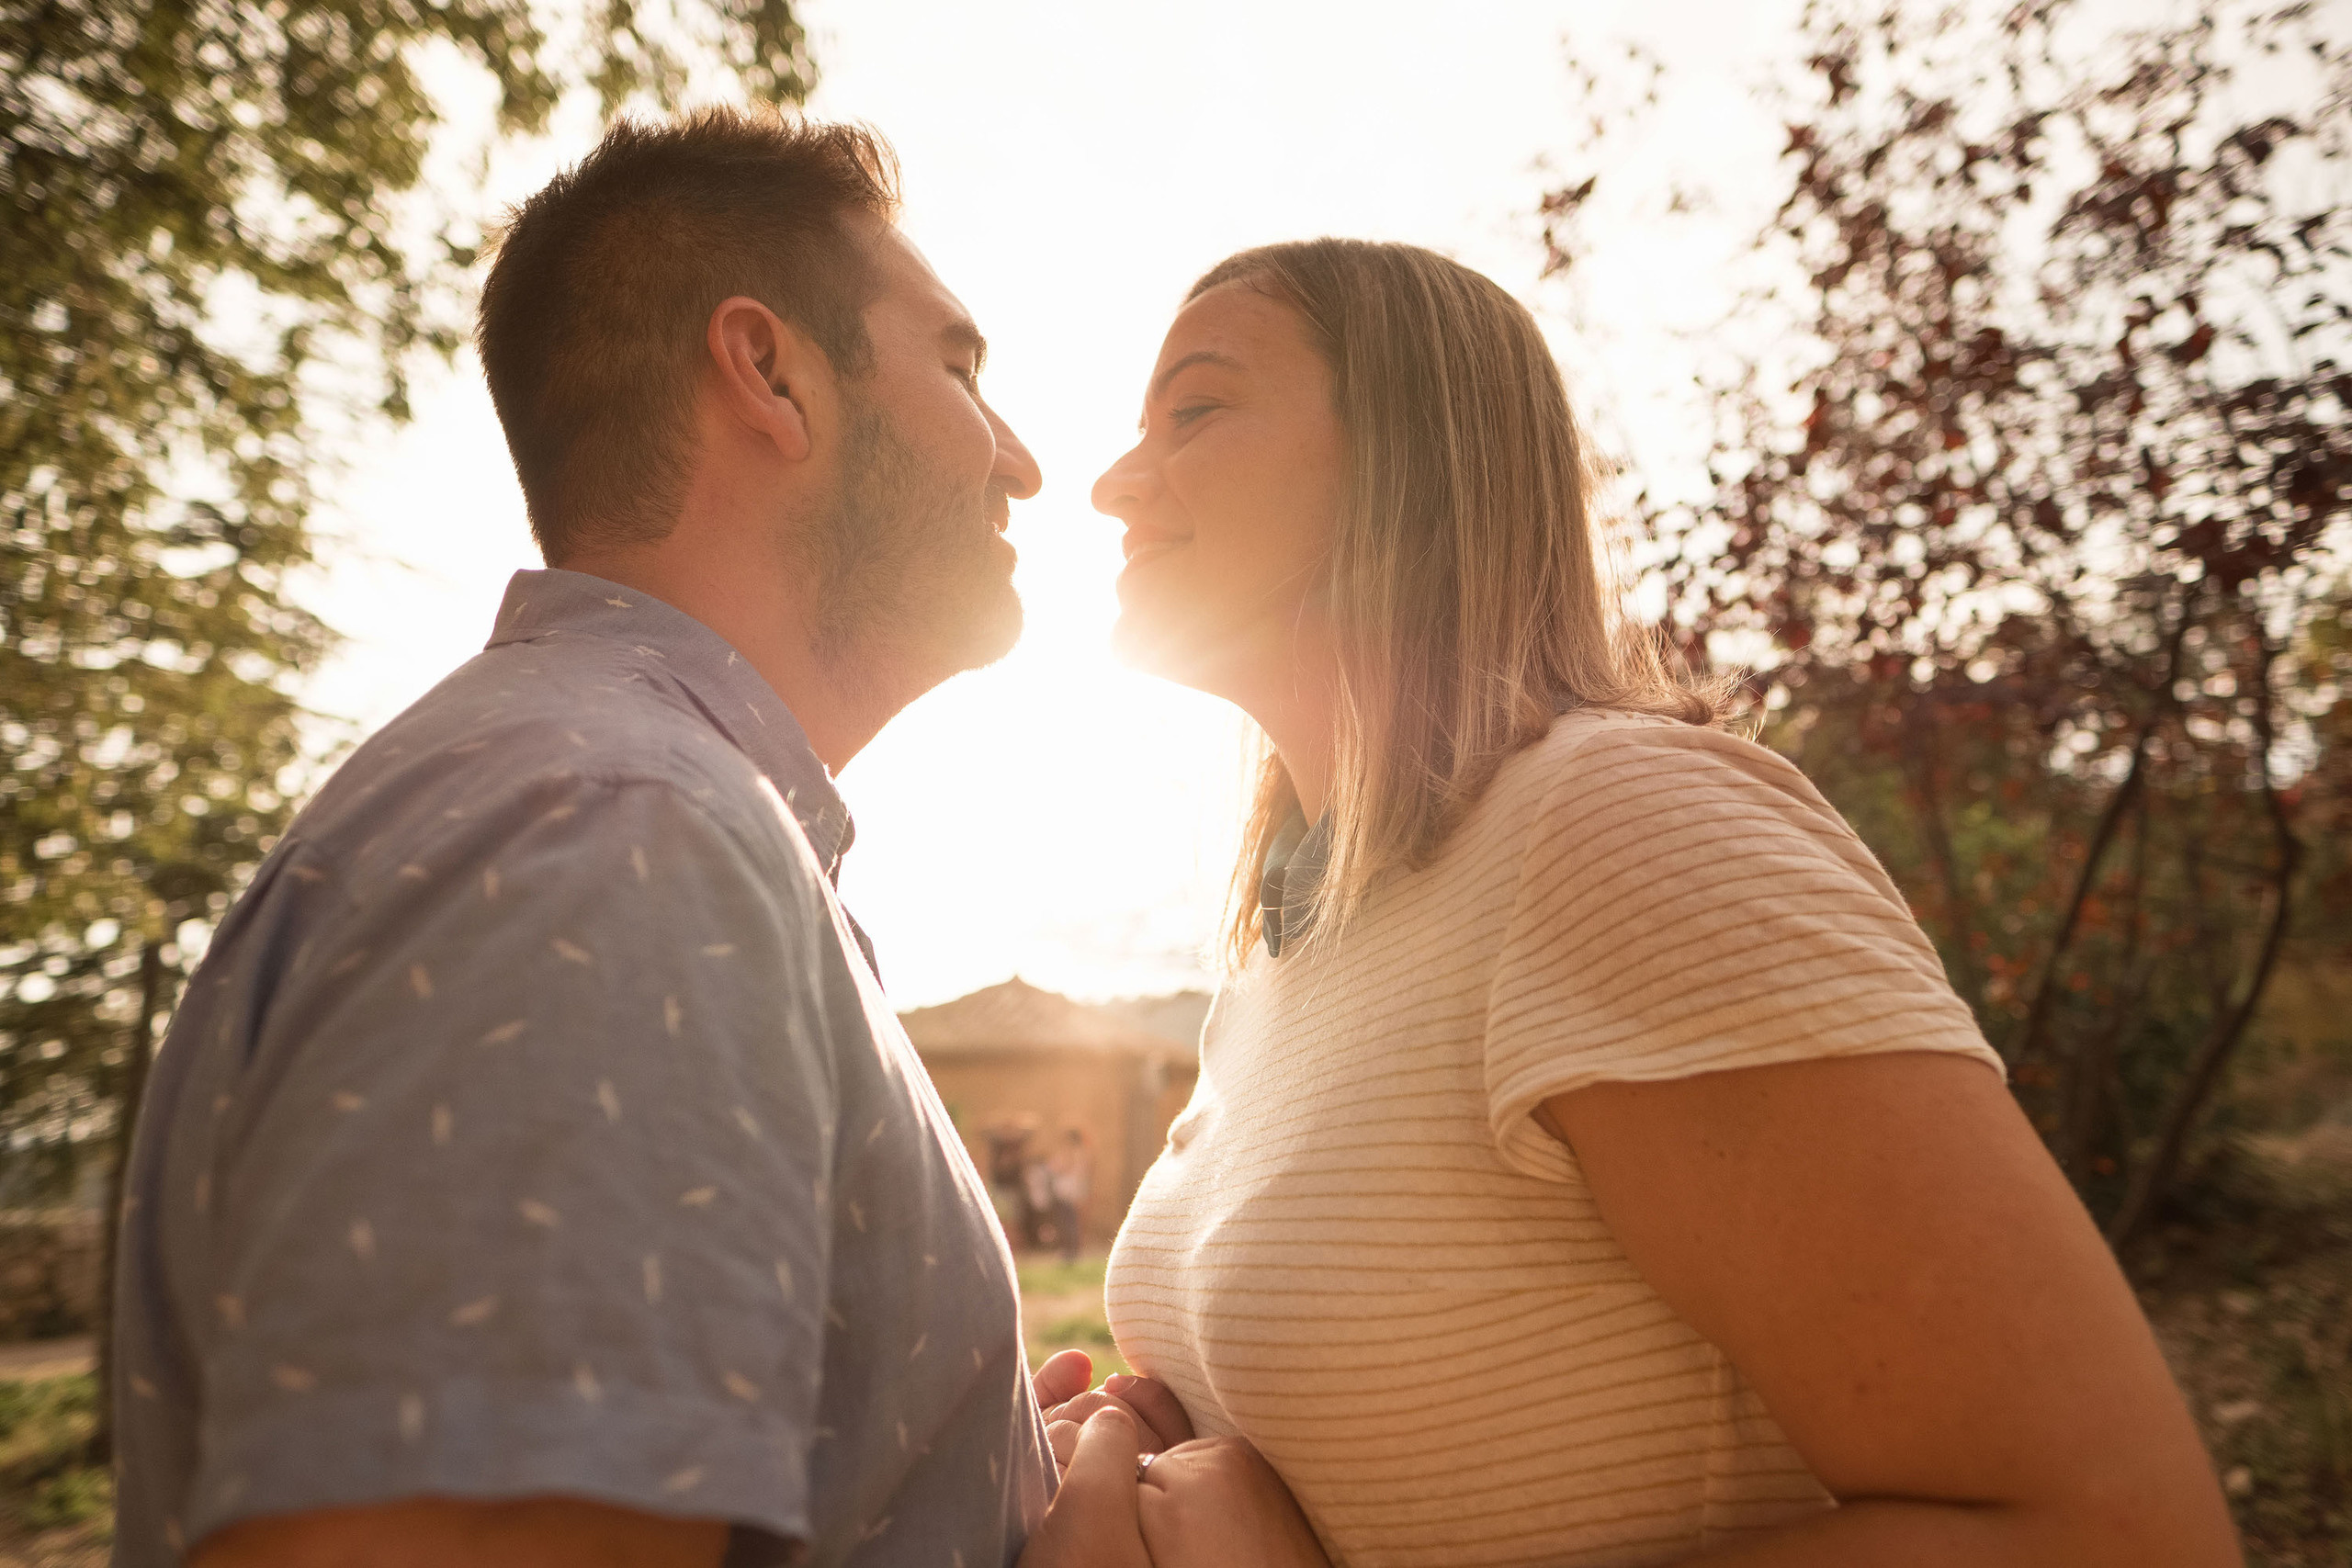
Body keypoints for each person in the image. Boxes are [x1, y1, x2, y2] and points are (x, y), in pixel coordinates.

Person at [106, 108, 1183, 1568]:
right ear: (768, 370)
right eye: (960, 366)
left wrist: (957, 1473)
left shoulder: (623, 812)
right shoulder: (622, 833)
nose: (1024, 460)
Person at [1087, 239, 2246, 1566]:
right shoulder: (1290, 954)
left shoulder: (1616, 826)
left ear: (1412, 461)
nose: (1119, 481)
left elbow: (2115, 1536)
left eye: (1198, 408)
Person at [1046, 1128, 1093, 1263]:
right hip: (1070, 1192)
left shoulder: (1073, 1153)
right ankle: (1071, 1250)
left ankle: (1070, 1251)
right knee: (1070, 1222)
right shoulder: (1081, 1154)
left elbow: (1060, 1167)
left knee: (1068, 1222)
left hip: (1068, 1193)